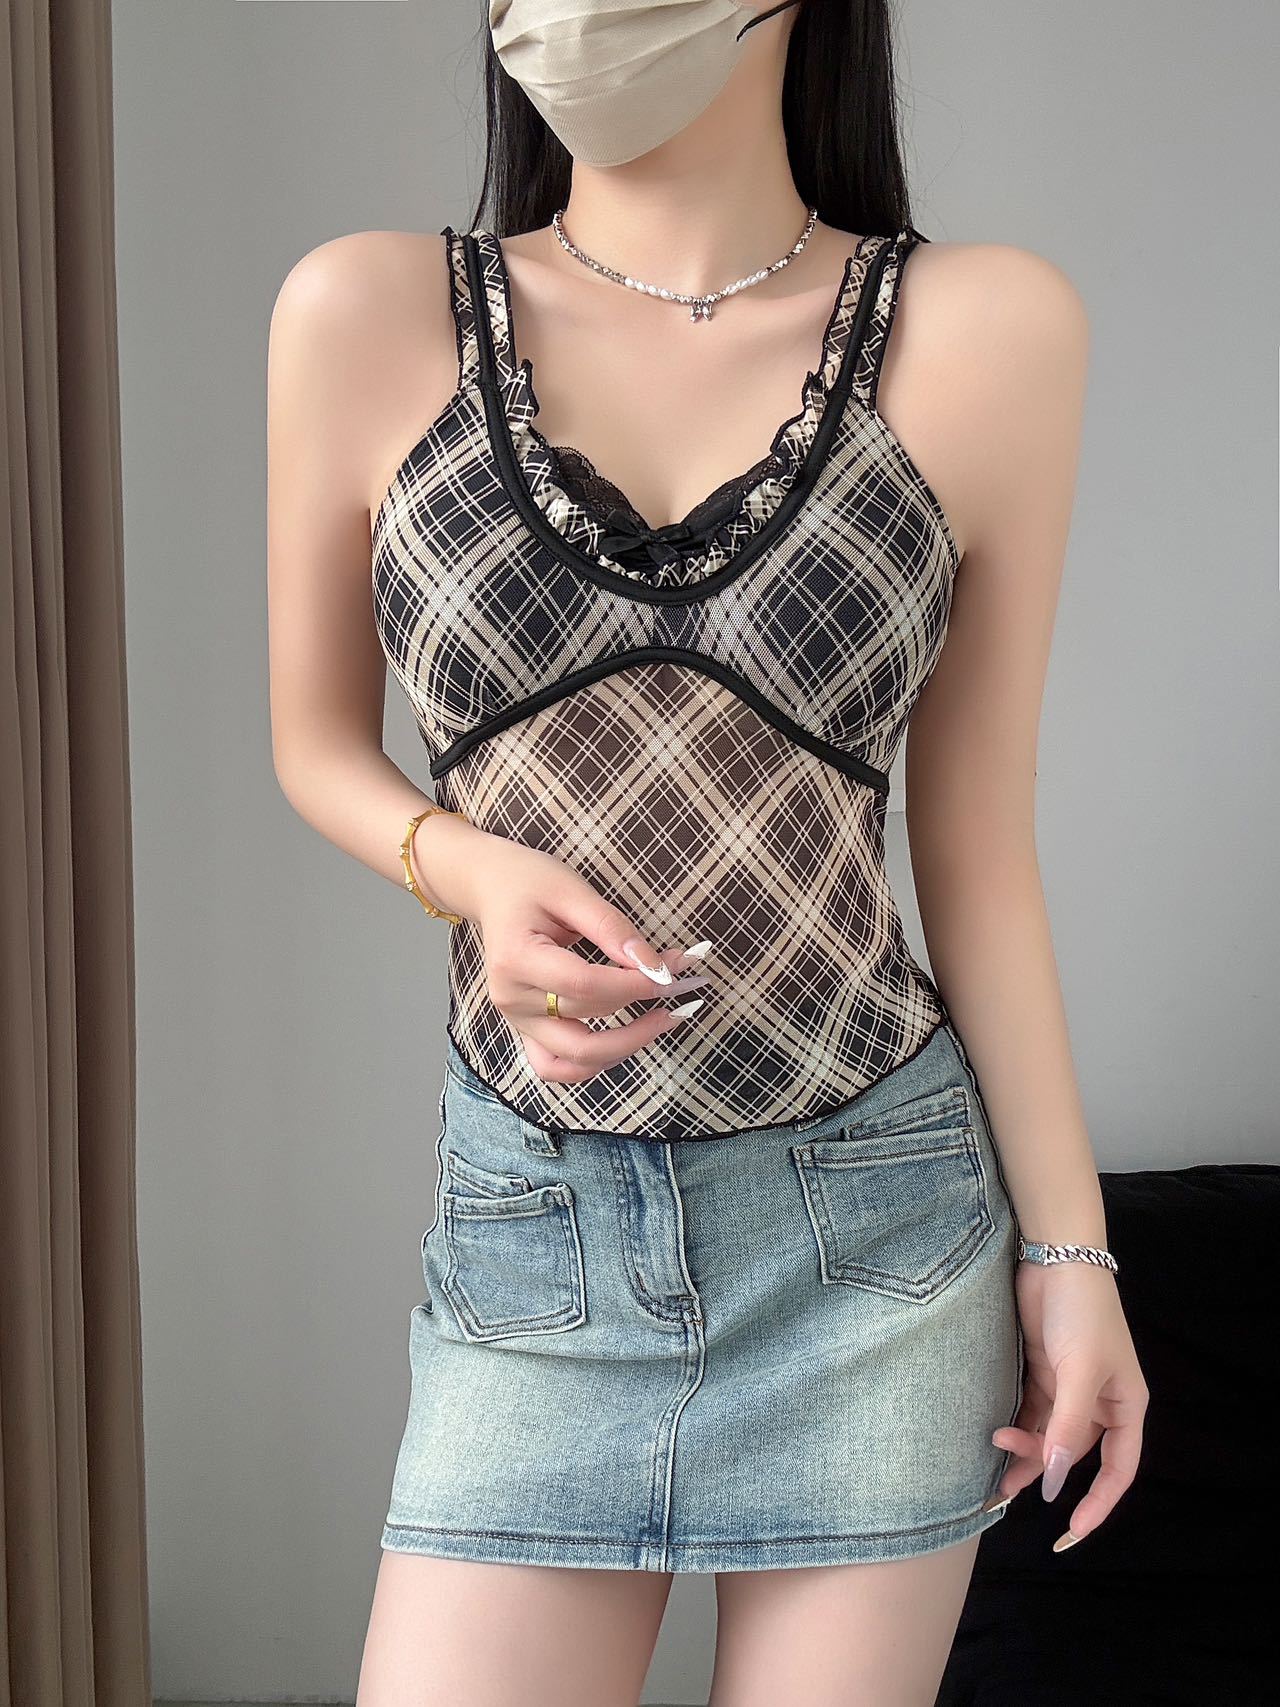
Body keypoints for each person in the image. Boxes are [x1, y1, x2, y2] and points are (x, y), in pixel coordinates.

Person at [266, 4, 1149, 1703]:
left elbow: (976, 848)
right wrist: (466, 869)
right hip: (536, 1235)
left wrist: (1074, 1259)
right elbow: (312, 743)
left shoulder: (988, 331)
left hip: (875, 1244)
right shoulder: (363, 311)